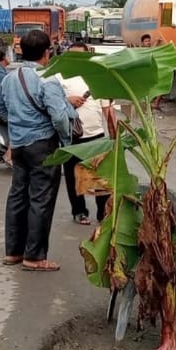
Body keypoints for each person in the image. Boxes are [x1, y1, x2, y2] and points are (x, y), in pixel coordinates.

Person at [0, 29, 73, 272]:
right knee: (41, 199)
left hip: (19, 146)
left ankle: (13, 252)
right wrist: (66, 140)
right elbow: (60, 117)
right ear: (46, 52)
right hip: (43, 145)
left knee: (17, 197)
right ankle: (35, 256)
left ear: (21, 51)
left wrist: (18, 126)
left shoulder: (10, 77)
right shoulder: (48, 79)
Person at [57, 42, 113, 226]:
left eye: (80, 55)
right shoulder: (59, 77)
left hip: (97, 136)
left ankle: (102, 212)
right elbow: (50, 101)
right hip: (71, 137)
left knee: (100, 179)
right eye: (72, 55)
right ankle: (79, 211)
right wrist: (67, 101)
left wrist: (115, 134)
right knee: (74, 178)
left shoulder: (97, 77)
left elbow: (108, 109)